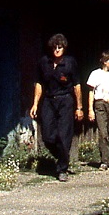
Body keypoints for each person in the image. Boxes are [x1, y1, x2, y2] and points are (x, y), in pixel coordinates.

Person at [30, 34, 81, 181]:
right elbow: (39, 83)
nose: (57, 50)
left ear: (64, 48)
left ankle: (62, 170)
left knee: (64, 136)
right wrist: (35, 104)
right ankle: (62, 157)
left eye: (60, 47)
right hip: (49, 100)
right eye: (54, 47)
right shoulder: (44, 62)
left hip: (66, 100)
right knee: (47, 136)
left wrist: (79, 107)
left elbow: (77, 85)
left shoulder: (70, 63)